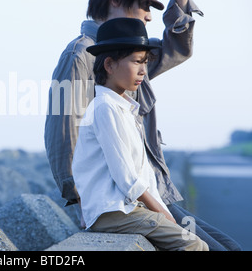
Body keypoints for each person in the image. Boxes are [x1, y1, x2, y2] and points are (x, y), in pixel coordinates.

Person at [44, 0, 242, 250]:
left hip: (150, 192)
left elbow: (177, 50)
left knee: (228, 246)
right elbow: (62, 132)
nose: (149, 16)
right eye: (144, 4)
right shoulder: (81, 55)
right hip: (123, 201)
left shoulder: (129, 52)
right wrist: (79, 200)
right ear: (114, 0)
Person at [72, 17, 208, 251]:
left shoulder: (122, 108)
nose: (143, 71)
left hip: (124, 209)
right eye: (137, 62)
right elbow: (124, 174)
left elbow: (139, 173)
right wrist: (162, 212)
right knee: (194, 245)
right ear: (109, 65)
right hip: (114, 212)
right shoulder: (105, 107)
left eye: (145, 62)